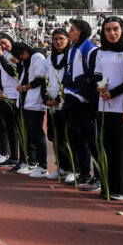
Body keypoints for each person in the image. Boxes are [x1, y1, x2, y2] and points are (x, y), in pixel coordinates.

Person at [93, 16, 123, 200]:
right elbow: (97, 74)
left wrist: (114, 93)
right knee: (107, 147)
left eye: (115, 28)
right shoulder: (100, 52)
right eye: (108, 29)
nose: (112, 33)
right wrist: (99, 86)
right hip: (104, 107)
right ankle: (108, 187)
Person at [63, 19, 98, 187]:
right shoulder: (73, 50)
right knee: (78, 140)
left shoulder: (90, 50)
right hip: (75, 100)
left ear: (81, 31)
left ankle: (98, 177)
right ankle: (84, 173)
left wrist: (81, 95)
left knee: (92, 141)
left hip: (87, 103)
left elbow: (92, 78)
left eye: (72, 30)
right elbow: (70, 75)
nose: (69, 32)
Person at [43, 28, 76, 182]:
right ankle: (61, 167)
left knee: (67, 137)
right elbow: (46, 79)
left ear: (68, 39)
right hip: (52, 105)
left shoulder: (72, 56)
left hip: (66, 103)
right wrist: (46, 97)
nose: (58, 42)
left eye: (61, 38)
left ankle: (72, 168)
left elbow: (69, 78)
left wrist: (58, 97)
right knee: (54, 136)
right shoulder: (50, 58)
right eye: (55, 39)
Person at [12, 42, 48, 176]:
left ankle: (43, 165)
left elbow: (40, 79)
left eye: (21, 54)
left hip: (35, 102)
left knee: (37, 135)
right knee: (31, 135)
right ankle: (32, 162)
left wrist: (25, 87)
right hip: (28, 102)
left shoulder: (37, 57)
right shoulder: (28, 60)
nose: (21, 57)